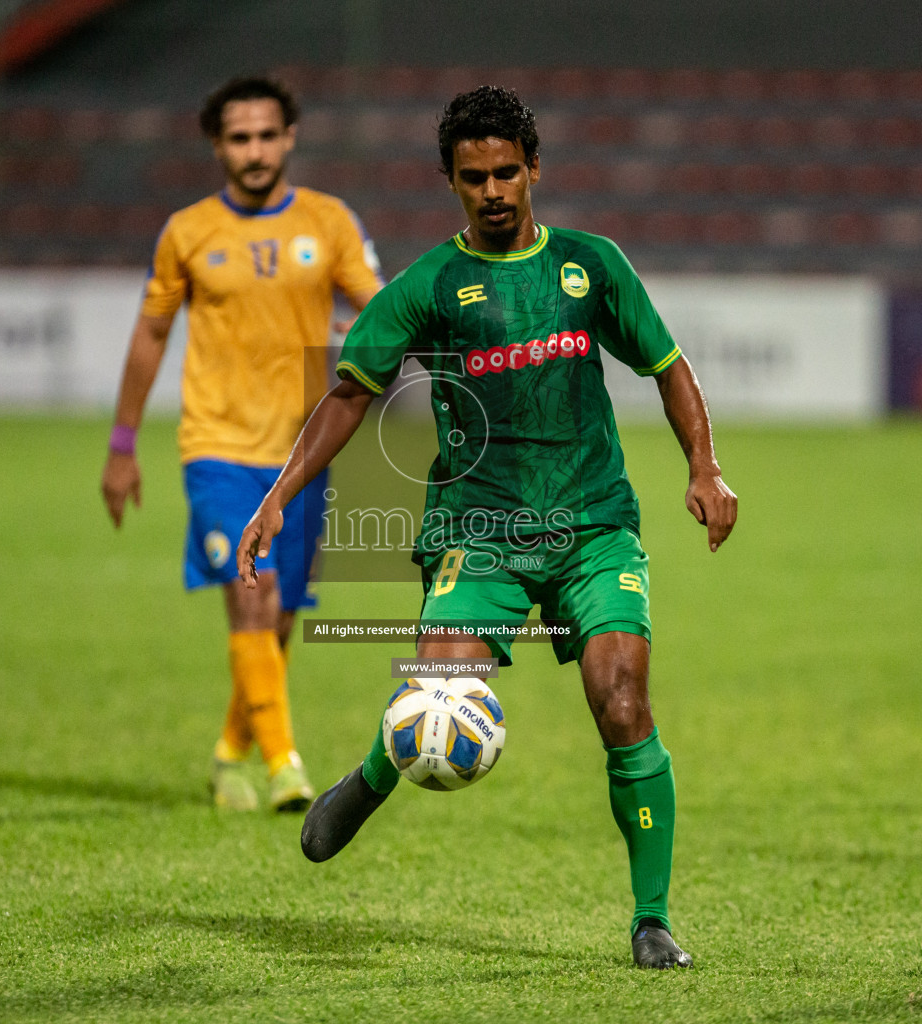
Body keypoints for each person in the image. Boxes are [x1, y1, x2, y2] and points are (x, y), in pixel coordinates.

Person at [236, 85, 737, 968]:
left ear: (535, 168)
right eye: (476, 178)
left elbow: (668, 365)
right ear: (452, 182)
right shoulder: (430, 286)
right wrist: (280, 492)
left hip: (593, 526)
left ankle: (651, 918)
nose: (495, 189)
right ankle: (377, 773)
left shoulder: (591, 265)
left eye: (509, 171)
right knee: (438, 695)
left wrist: (705, 466)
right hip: (480, 529)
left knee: (623, 701)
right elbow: (349, 394)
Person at [102, 75, 383, 813]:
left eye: (266, 135)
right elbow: (151, 334)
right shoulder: (187, 233)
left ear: (289, 137)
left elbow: (380, 307)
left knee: (280, 617)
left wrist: (369, 338)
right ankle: (287, 766)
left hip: (299, 455)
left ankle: (231, 753)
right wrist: (122, 444)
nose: (254, 150)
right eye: (239, 137)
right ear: (217, 144)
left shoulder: (329, 223)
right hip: (216, 447)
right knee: (250, 597)